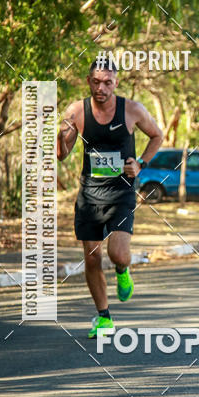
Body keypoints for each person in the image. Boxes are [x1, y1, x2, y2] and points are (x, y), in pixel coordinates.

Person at [57, 59, 163, 337]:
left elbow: (156, 136)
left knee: (118, 253)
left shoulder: (132, 110)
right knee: (92, 260)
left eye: (107, 82)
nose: (101, 87)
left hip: (122, 193)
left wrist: (140, 163)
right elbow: (61, 153)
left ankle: (122, 269)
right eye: (96, 81)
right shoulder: (77, 111)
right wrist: (60, 135)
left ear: (116, 82)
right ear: (88, 81)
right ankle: (104, 317)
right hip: (89, 195)